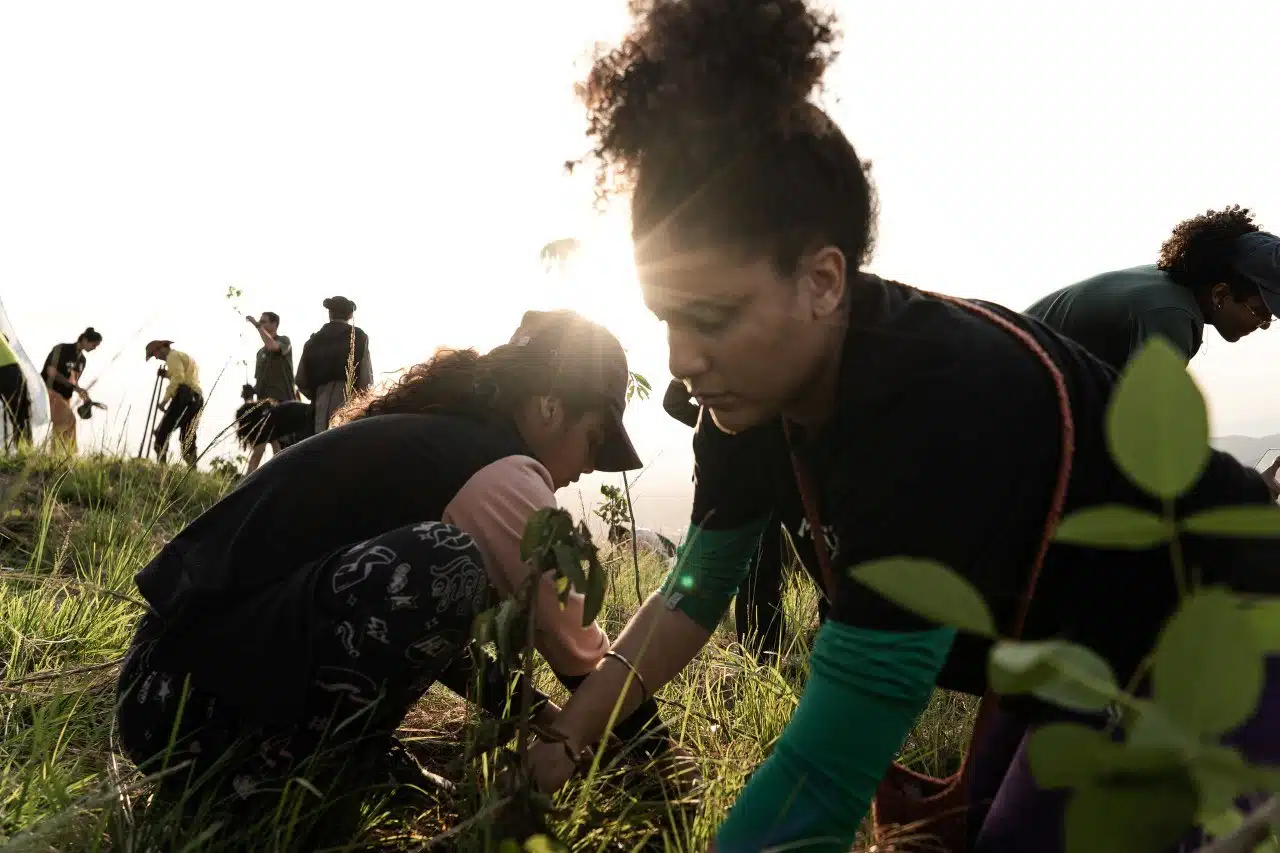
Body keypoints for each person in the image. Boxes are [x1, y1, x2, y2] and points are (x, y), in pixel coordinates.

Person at [526, 3, 1280, 852]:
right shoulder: (747, 400)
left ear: (821, 279)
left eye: (713, 317)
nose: (683, 358)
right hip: (1076, 648)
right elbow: (689, 597)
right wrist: (560, 743)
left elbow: (821, 779)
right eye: (666, 317)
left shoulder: (930, 409)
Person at [116, 309, 681, 843]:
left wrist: (536, 714)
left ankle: (333, 762)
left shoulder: (443, 443)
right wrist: (665, 780)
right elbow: (582, 658)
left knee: (452, 574)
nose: (586, 466)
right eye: (593, 440)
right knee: (448, 563)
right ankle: (286, 785)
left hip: (160, 692)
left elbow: (417, 632)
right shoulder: (501, 473)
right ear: (550, 408)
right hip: (187, 707)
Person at [662, 379, 813, 661]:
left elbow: (672, 403)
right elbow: (673, 402)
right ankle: (762, 653)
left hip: (785, 470)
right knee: (761, 570)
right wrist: (720, 425)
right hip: (755, 476)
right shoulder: (721, 368)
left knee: (770, 567)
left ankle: (767, 650)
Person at [1025, 207, 1280, 371]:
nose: (1264, 324)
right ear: (1221, 294)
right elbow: (1148, 426)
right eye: (1259, 312)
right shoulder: (1171, 315)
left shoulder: (1162, 285)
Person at [296, 295, 373, 434]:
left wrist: (316, 394)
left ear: (330, 313)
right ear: (350, 315)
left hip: (319, 401)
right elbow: (365, 380)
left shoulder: (313, 341)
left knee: (320, 444)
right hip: (349, 401)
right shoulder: (359, 336)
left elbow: (301, 381)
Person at [145, 340, 204, 467]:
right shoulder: (181, 356)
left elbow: (178, 379)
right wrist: (166, 374)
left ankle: (161, 468)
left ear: (161, 348)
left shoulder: (172, 356)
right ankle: (192, 470)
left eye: (154, 354)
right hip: (197, 399)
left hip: (184, 397)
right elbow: (183, 376)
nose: (156, 357)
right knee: (187, 437)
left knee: (161, 433)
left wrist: (164, 401)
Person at [43, 328, 102, 451]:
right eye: (94, 344)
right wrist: (74, 387)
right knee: (69, 420)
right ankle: (64, 455)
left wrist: (83, 393)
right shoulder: (62, 349)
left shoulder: (82, 360)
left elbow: (73, 381)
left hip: (65, 396)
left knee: (66, 425)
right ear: (85, 339)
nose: (95, 348)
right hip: (50, 390)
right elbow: (51, 372)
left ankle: (61, 457)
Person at [233, 384, 314, 474]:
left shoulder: (263, 425)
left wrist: (245, 482)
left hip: (306, 417)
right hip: (305, 416)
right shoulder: (269, 419)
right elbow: (277, 452)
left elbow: (256, 457)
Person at [247, 310, 297, 405]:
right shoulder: (260, 352)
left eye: (263, 322)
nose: (260, 324)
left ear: (274, 324)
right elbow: (260, 379)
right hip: (264, 403)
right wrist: (251, 391)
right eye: (259, 322)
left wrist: (257, 326)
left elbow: (273, 347)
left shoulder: (284, 340)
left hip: (284, 401)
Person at [0, 332, 32, 449]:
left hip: (8, 369)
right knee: (20, 417)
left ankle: (25, 453)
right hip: (12, 368)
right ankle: (25, 452)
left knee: (19, 416)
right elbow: (6, 338)